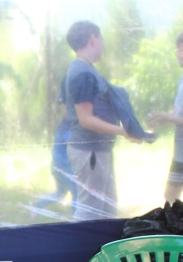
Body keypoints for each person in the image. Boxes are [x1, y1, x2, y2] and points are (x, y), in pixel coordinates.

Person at [62, 20, 151, 221]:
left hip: (98, 149)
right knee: (90, 208)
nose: (103, 44)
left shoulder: (86, 70)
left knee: (106, 207)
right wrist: (123, 131)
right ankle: (80, 242)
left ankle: (104, 241)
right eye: (101, 39)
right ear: (93, 38)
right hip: (89, 151)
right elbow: (86, 119)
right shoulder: (82, 73)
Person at [148, 27, 183, 207]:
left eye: (182, 48)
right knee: (170, 196)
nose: (177, 53)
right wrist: (164, 116)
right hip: (182, 154)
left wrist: (169, 118)